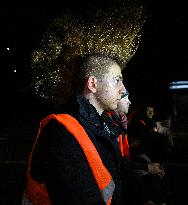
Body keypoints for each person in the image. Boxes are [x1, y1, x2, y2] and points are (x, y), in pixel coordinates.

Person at [22, 1, 147, 204]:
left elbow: (122, 174)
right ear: (92, 83)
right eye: (117, 79)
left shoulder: (105, 124)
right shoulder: (62, 133)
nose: (123, 89)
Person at [103, 91, 167, 205]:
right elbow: (117, 163)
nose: (129, 101)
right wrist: (147, 167)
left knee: (148, 166)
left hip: (126, 167)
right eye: (125, 97)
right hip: (118, 177)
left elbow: (124, 155)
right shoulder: (108, 124)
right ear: (115, 101)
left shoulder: (119, 121)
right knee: (147, 179)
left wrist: (147, 165)